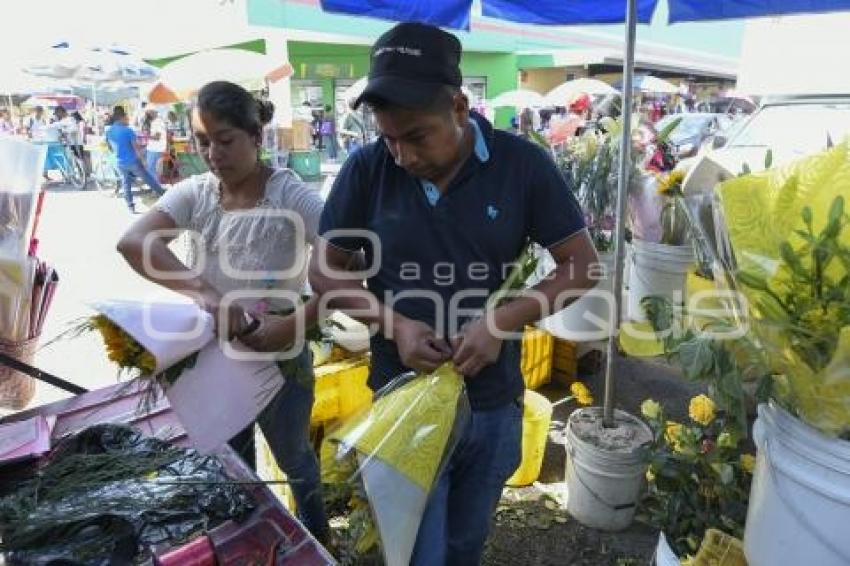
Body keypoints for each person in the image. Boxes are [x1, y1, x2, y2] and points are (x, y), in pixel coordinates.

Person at [308, 22, 597, 565]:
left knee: (465, 543)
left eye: (416, 136)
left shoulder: (522, 165)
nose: (401, 155)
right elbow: (324, 273)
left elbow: (581, 267)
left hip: (490, 402)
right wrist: (396, 325)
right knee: (416, 549)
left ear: (460, 107)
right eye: (389, 137)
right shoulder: (367, 169)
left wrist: (500, 323)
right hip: (401, 397)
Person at [116, 80, 329, 541]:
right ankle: (251, 540)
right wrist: (207, 294)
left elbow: (345, 268)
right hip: (216, 355)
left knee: (295, 459)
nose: (213, 153)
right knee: (232, 460)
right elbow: (133, 242)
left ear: (257, 136)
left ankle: (318, 541)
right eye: (203, 141)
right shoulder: (196, 193)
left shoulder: (291, 197)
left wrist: (293, 324)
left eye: (225, 140)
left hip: (278, 356)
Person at [105, 106, 166, 213]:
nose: (128, 119)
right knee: (149, 179)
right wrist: (143, 160)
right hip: (132, 161)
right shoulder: (128, 130)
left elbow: (109, 146)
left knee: (126, 183)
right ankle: (165, 196)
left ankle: (130, 206)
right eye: (126, 117)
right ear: (122, 118)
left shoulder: (109, 130)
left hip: (120, 162)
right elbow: (136, 147)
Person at [145, 108, 168, 180]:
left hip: (155, 149)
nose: (147, 114)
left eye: (148, 112)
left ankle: (156, 187)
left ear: (153, 112)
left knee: (151, 169)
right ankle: (156, 186)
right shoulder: (155, 122)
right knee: (155, 169)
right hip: (155, 149)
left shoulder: (158, 122)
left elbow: (157, 137)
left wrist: (146, 135)